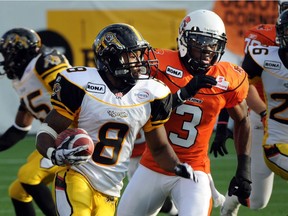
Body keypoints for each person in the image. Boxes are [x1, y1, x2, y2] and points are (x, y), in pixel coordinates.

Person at [35, 23, 196, 216]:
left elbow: (159, 147)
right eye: (131, 55)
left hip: (111, 189)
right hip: (76, 175)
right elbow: (48, 130)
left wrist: (178, 167)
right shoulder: (81, 84)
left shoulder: (151, 93)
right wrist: (54, 154)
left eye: (140, 54)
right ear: (110, 57)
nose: (139, 61)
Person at [117, 9, 252, 216]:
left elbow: (242, 119)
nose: (207, 52)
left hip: (194, 169)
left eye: (212, 45)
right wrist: (184, 93)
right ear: (184, 41)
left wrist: (244, 168)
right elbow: (139, 106)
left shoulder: (227, 79)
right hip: (153, 164)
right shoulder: (159, 65)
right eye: (200, 44)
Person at [220, 2, 288, 215]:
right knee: (257, 199)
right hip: (265, 117)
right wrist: (263, 111)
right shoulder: (262, 46)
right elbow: (239, 85)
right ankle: (229, 203)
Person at [0, 28, 71, 216]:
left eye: (8, 54)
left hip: (74, 136)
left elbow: (71, 89)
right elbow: (19, 129)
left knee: (28, 176)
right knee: (17, 192)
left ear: (20, 53)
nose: (5, 60)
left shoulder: (44, 63)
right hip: (58, 138)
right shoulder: (26, 79)